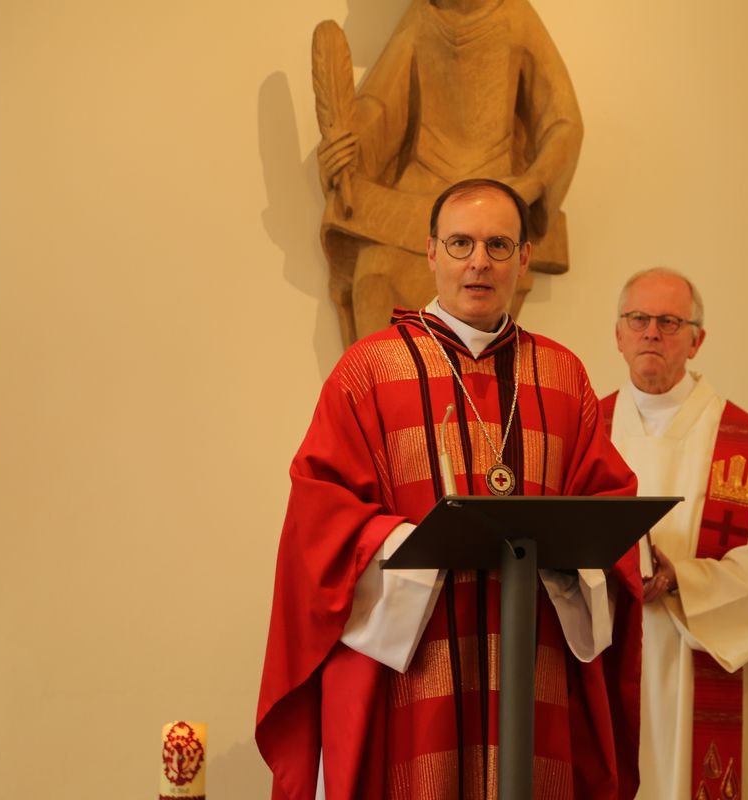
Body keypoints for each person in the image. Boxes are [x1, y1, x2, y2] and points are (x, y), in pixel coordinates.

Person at [258, 179, 642, 799]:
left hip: (536, 658)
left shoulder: (563, 375)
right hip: (420, 663)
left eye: (497, 245)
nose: (478, 262)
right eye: (460, 243)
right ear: (431, 252)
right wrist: (415, 547)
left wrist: (575, 559)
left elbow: (609, 510)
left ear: (524, 259)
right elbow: (318, 511)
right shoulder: (371, 369)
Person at [600, 269, 748, 800]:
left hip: (694, 657)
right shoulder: (584, 430)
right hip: (603, 652)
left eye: (669, 321)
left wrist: (682, 579)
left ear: (696, 339)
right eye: (637, 319)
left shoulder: (741, 443)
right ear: (618, 334)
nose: (651, 333)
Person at [311, 0, 583, 346]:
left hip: (489, 200)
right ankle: (379, 395)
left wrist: (529, 185)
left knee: (475, 324)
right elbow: (379, 106)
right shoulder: (422, 17)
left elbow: (564, 123)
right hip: (416, 199)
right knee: (375, 273)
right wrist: (345, 150)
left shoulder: (514, 16)